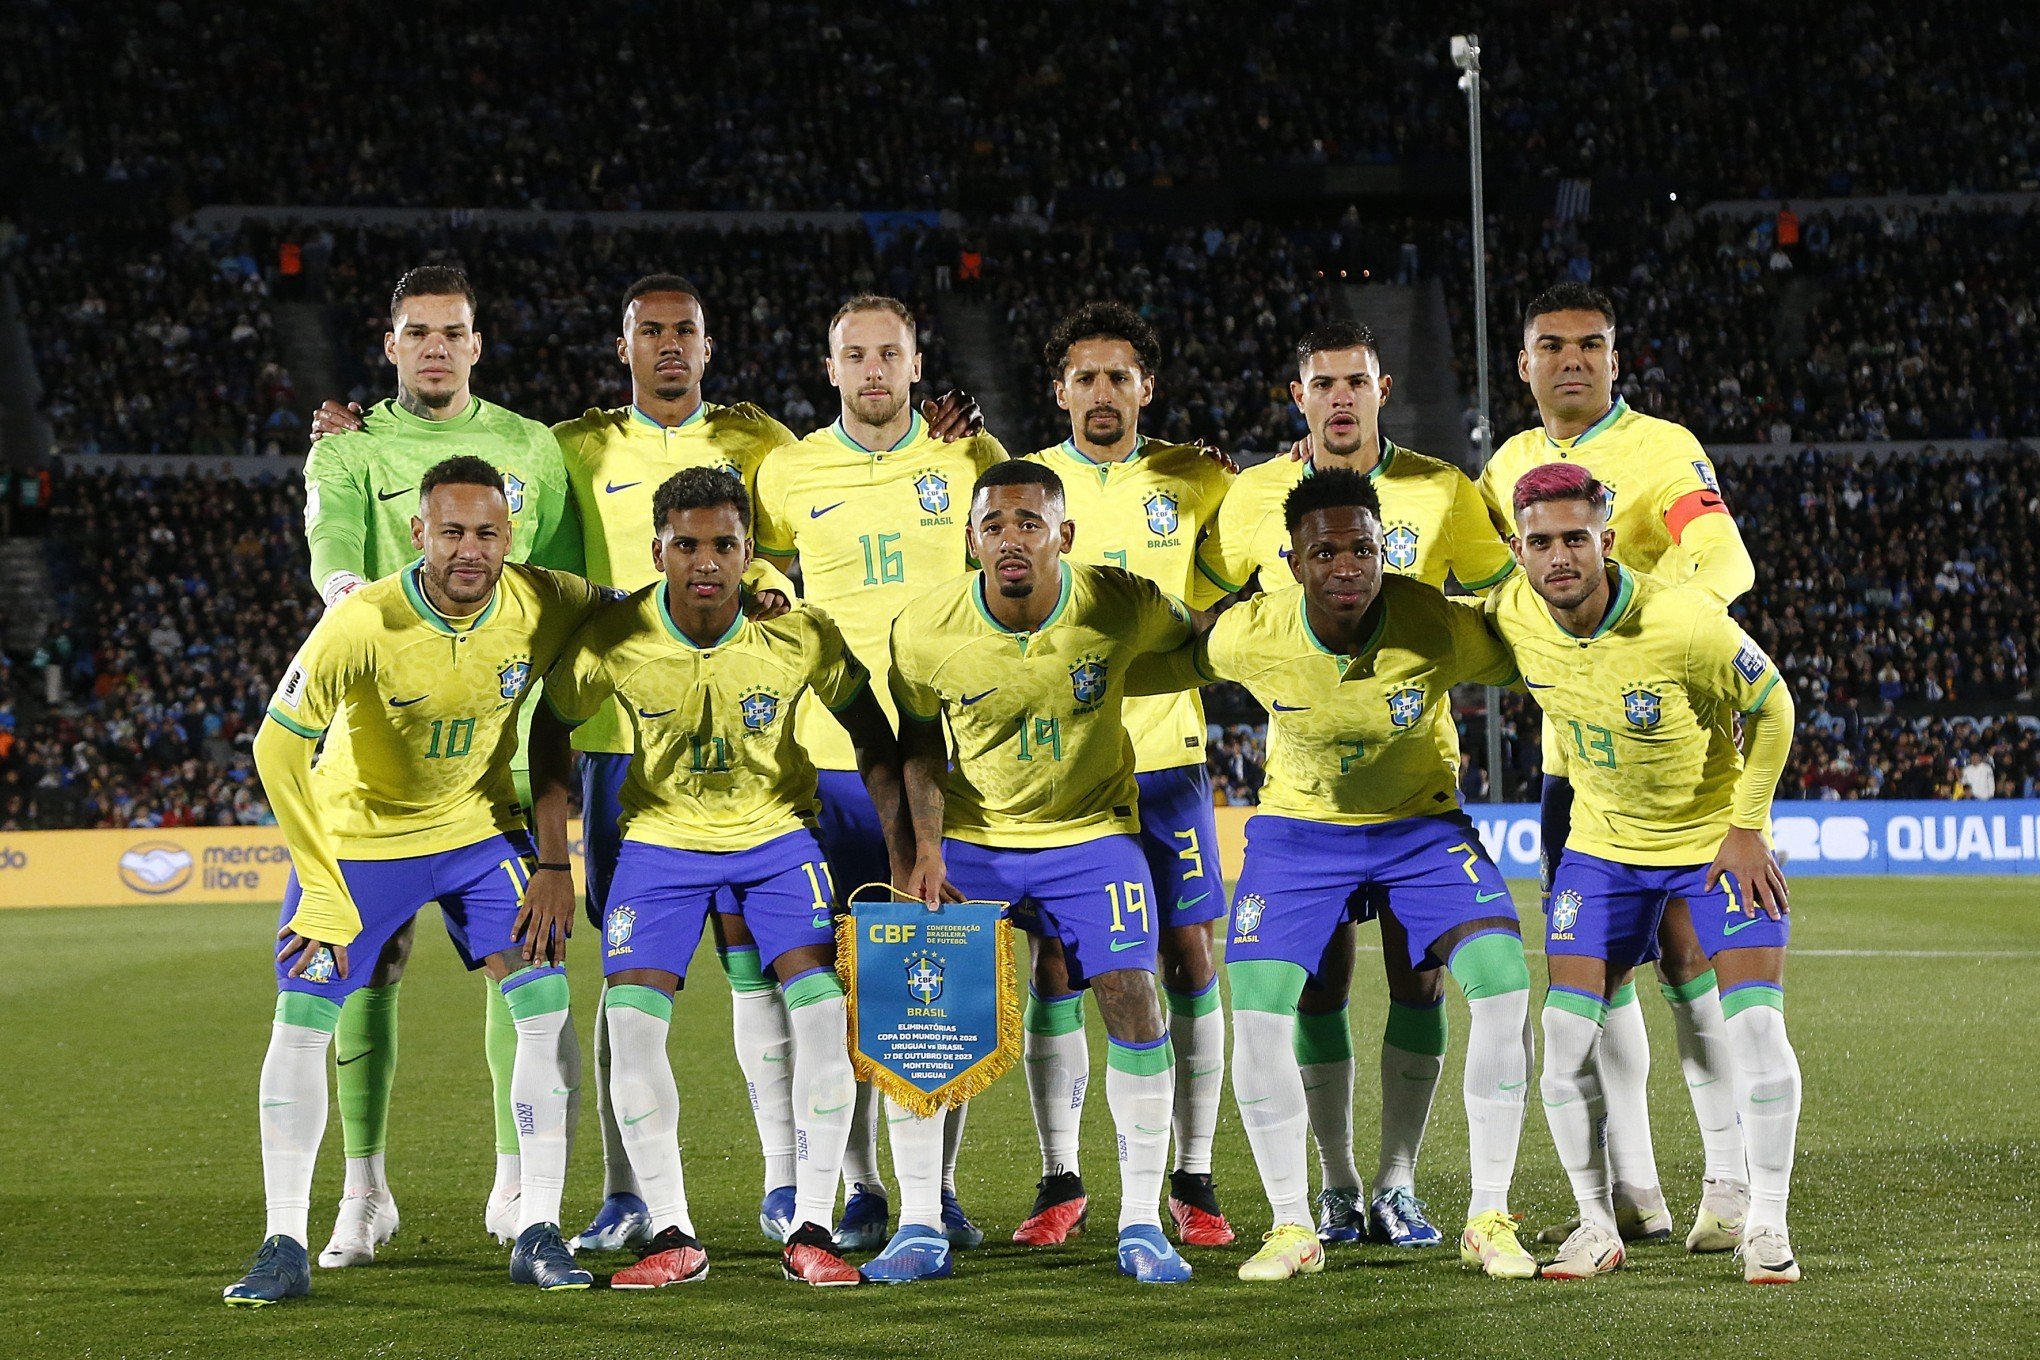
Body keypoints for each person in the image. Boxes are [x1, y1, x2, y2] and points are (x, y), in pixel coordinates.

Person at [1135, 467, 1537, 1282]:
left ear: (1385, 550)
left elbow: (1534, 653)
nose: (1346, 566)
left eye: (1363, 547)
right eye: (1325, 552)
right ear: (1292, 562)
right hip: (1299, 833)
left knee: (1502, 983)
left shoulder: (1434, 622)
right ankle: (1299, 1218)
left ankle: (1483, 1211)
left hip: (1421, 826)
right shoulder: (1252, 630)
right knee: (1259, 1011)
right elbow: (1160, 667)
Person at [224, 457, 606, 1305]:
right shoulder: (363, 621)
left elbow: (642, 607)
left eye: (489, 533)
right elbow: (275, 749)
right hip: (359, 842)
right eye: (453, 532)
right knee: (301, 1020)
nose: (471, 551)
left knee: (544, 1004)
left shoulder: (546, 597)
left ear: (511, 536)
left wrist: (759, 584)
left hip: (475, 834)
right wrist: (322, 885)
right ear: (417, 533)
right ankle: (282, 1238)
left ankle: (538, 1225)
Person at [539, 467, 913, 1287]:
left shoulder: (799, 632)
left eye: (724, 545)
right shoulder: (615, 636)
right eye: (686, 545)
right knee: (632, 1027)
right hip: (660, 845)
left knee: (823, 1017)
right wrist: (551, 859)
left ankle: (811, 1223)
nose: (705, 563)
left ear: (751, 552)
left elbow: (873, 736)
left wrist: (906, 857)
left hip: (778, 840)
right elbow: (550, 730)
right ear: (657, 550)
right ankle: (670, 1231)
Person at [1202, 321, 1517, 1249]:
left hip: (1420, 801)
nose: (1341, 396)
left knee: (1421, 985)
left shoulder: (1442, 490)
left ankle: (1397, 1184)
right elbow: (1203, 600)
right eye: (1322, 383)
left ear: (1382, 387)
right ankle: (1333, 1187)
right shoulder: (1253, 493)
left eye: (1356, 381)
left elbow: (1511, 603)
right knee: (1316, 993)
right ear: (1298, 396)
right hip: (1304, 807)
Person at [299, 265, 582, 1263]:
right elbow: (330, 537)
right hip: (377, 749)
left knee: (529, 961)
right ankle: (365, 1189)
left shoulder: (532, 448)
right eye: (415, 330)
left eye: (450, 331)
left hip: (495, 754)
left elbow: (561, 590)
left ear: (476, 341)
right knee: (369, 970)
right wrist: (346, 592)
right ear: (389, 343)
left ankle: (517, 1180)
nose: (433, 346)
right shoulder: (350, 445)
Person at [1477, 283, 1757, 1252]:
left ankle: (1728, 1179)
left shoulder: (1662, 448)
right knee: (1597, 985)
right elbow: (1487, 587)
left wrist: (1644, 633)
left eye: (1589, 345)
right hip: (1572, 774)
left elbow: (1725, 562)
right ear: (1523, 364)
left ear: (1615, 357)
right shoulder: (1508, 464)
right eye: (1550, 346)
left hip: (1670, 759)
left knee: (1688, 963)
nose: (1570, 361)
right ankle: (1633, 1184)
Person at [887, 460, 1201, 1285]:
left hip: (1092, 832)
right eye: (994, 524)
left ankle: (1141, 1222)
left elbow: (1198, 642)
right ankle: (919, 1219)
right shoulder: (924, 628)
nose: (1011, 538)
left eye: (1030, 522)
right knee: (920, 1009)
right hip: (975, 839)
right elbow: (918, 747)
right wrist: (926, 850)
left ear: (1064, 534)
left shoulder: (1119, 601)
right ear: (970, 541)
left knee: (1132, 993)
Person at [1488, 462, 1800, 1284]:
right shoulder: (1514, 613)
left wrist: (1746, 827)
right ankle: (1597, 1225)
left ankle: (1765, 1221)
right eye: (1541, 543)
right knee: (1561, 1042)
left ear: (1608, 540)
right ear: (1518, 551)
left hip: (1708, 846)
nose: (1559, 558)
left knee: (1758, 1028)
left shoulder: (1685, 623)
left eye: (1575, 539)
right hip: (1600, 851)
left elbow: (1775, 706)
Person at [753, 295, 1007, 1252]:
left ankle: (934, 1188)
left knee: (941, 984)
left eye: (888, 354)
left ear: (915, 363)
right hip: (830, 762)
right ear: (830, 369)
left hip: (947, 759)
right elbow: (767, 578)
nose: (871, 371)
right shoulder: (786, 473)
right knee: (839, 990)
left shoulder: (963, 457)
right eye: (853, 355)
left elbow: (1020, 522)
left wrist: (984, 428)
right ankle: (859, 1183)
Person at [1016, 302, 1237, 1250]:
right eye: (1085, 377)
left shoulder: (1194, 482)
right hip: (1061, 770)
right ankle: (1060, 1176)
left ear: (1147, 388)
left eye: (1120, 377)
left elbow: (1232, 599)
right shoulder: (1025, 486)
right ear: (1059, 390)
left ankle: (1193, 1174)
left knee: (1189, 958)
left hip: (1166, 761)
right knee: (1058, 962)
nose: (1102, 394)